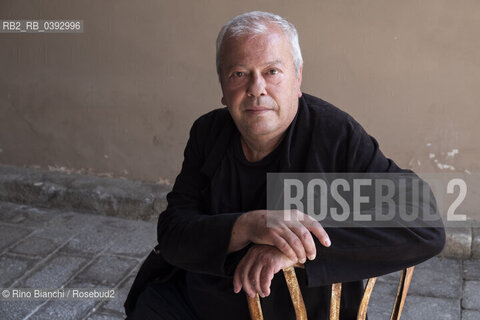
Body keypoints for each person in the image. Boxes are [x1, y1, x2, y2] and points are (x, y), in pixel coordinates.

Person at [125, 11, 445, 320]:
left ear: (298, 77)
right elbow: (173, 232)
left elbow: (422, 221)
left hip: (295, 309)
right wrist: (249, 226)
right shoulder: (208, 132)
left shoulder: (333, 134)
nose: (256, 88)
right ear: (223, 86)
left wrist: (294, 246)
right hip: (199, 302)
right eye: (239, 73)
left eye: (272, 71)